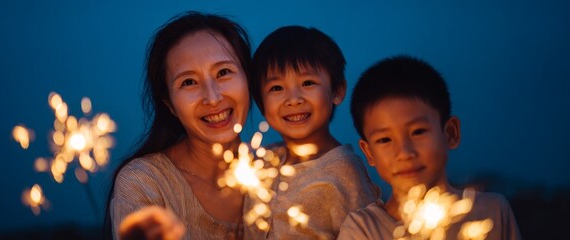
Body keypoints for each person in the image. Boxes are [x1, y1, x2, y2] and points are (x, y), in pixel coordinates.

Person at [337, 55, 522, 239]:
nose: (404, 152)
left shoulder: (492, 212)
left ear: (450, 133)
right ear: (369, 152)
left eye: (418, 132)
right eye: (385, 140)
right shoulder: (363, 230)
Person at [104, 11, 253, 240]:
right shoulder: (144, 184)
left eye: (223, 72)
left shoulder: (282, 175)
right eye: (189, 82)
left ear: (248, 79)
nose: (212, 98)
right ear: (169, 104)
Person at [246, 25, 381, 239]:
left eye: (308, 83)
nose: (293, 99)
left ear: (337, 91)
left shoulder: (345, 173)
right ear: (261, 103)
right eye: (276, 88)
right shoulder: (264, 161)